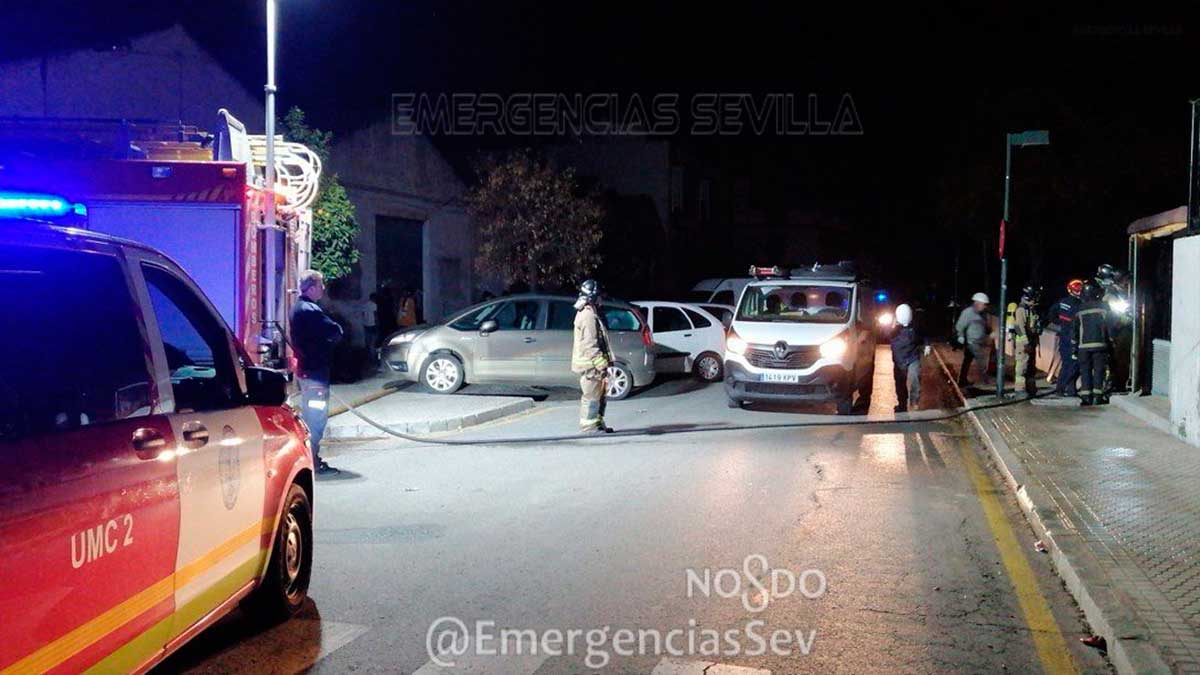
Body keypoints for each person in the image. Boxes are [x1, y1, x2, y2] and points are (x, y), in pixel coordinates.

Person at [290, 270, 344, 475]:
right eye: (320, 285)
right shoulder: (310, 310)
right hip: (315, 373)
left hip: (309, 371)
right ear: (311, 288)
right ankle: (312, 461)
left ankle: (310, 458)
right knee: (315, 419)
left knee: (311, 416)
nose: (323, 288)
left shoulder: (299, 308)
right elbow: (335, 331)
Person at [571, 279, 614, 433]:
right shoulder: (587, 315)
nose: (601, 299)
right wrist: (601, 364)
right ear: (593, 297)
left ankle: (597, 424)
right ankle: (589, 427)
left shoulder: (591, 312)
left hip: (593, 365)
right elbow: (590, 344)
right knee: (591, 396)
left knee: (599, 395)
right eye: (599, 296)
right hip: (590, 365)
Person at [1073, 282, 1112, 406]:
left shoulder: (1079, 309)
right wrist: (1111, 341)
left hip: (1083, 346)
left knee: (1085, 371)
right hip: (1100, 344)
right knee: (1099, 371)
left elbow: (1075, 330)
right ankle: (1097, 397)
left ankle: (1086, 397)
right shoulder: (1104, 307)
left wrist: (1074, 347)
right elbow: (1110, 325)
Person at [890, 304, 929, 412]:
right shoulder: (893, 329)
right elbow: (885, 333)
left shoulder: (915, 326)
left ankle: (914, 402)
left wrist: (927, 344)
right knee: (900, 383)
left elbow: (923, 334)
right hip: (899, 360)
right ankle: (902, 404)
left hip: (912, 357)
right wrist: (892, 326)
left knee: (915, 379)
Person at [1049, 279, 1083, 397]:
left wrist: (1061, 324)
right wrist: (1063, 324)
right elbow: (1052, 314)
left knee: (1072, 364)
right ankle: (1061, 388)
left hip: (1069, 336)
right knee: (1071, 363)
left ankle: (1070, 389)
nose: (1079, 292)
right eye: (1077, 290)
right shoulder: (1078, 304)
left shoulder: (1063, 302)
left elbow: (1052, 314)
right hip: (1070, 337)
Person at [956, 292, 992, 387]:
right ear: (977, 303)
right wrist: (960, 336)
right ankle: (986, 381)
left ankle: (962, 380)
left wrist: (988, 332)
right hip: (971, 342)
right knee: (981, 360)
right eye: (984, 304)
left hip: (978, 342)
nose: (985, 306)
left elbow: (984, 326)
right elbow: (960, 325)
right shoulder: (968, 313)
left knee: (968, 361)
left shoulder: (982, 314)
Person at [1011, 285, 1042, 395]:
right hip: (1023, 344)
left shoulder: (1031, 309)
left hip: (1031, 342)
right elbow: (1019, 328)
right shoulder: (1021, 309)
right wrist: (1026, 343)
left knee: (1031, 368)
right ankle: (1020, 390)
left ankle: (1031, 388)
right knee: (1022, 368)